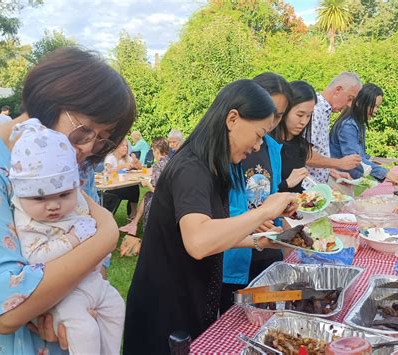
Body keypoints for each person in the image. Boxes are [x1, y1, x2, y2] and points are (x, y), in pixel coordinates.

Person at [0, 47, 136, 354]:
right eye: (84, 131)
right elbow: (4, 310)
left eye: (103, 138)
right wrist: (107, 234)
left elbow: (93, 265)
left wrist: (71, 306)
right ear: (51, 99)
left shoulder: (75, 162)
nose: (89, 147)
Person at [123, 80, 298, 354]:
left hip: (194, 300)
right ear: (232, 119)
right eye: (259, 134)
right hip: (165, 311)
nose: (258, 146)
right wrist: (265, 211)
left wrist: (259, 241)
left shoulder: (216, 167)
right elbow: (199, 241)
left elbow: (213, 232)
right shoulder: (191, 168)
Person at [9, 119, 124, 354]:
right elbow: (34, 257)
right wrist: (73, 240)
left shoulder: (79, 198)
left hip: (93, 281)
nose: (53, 205)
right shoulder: (27, 221)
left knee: (116, 308)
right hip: (63, 293)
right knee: (84, 331)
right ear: (21, 195)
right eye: (39, 198)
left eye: (63, 194)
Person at [220, 72, 292, 314]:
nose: (271, 122)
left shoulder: (272, 148)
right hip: (234, 255)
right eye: (269, 111)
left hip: (267, 251)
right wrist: (253, 218)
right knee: (228, 323)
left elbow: (272, 193)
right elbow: (215, 207)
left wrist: (282, 213)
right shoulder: (230, 148)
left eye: (279, 115)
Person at [330, 83, 398, 185]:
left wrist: (372, 159)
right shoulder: (349, 126)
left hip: (346, 179)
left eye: (378, 107)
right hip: (339, 179)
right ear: (359, 102)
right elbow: (353, 159)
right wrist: (386, 173)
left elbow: (359, 155)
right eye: (373, 106)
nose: (376, 111)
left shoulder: (358, 122)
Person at [306, 72, 362, 184]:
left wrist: (331, 171)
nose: (349, 105)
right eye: (350, 98)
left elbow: (318, 151)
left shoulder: (324, 110)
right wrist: (339, 163)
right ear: (338, 90)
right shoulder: (315, 111)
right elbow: (306, 155)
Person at [119, 137, 171, 238]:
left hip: (164, 199)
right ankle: (133, 224)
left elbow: (156, 191)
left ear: (156, 150)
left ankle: (134, 224)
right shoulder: (170, 161)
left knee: (149, 194)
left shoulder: (158, 165)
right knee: (147, 195)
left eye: (153, 150)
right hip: (171, 195)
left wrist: (147, 183)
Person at [103, 138, 142, 219]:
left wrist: (136, 162)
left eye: (126, 146)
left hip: (124, 186)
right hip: (113, 188)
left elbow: (140, 168)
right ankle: (132, 213)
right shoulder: (111, 158)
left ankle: (132, 213)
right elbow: (108, 171)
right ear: (116, 147)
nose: (125, 148)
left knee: (134, 187)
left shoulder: (127, 158)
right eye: (122, 146)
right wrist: (123, 166)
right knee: (133, 189)